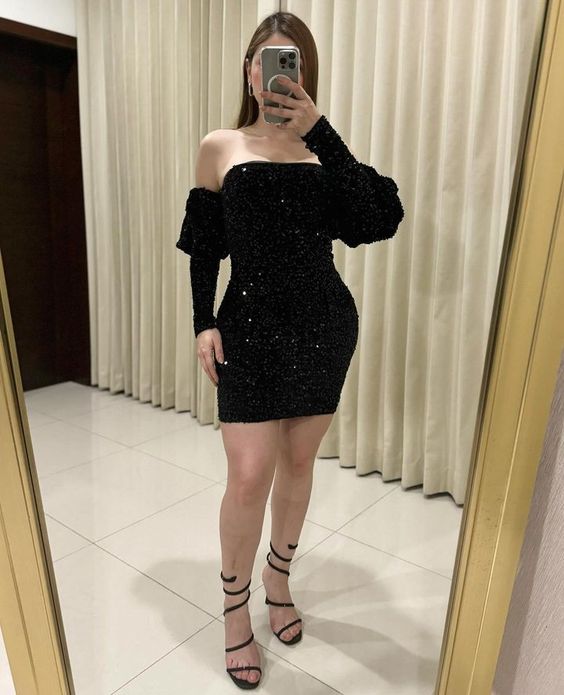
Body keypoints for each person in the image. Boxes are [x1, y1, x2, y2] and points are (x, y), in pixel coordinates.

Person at [176, 11, 404, 690]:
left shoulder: (322, 152)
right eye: (267, 59)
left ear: (305, 73)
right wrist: (202, 321)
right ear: (249, 68)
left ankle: (279, 578)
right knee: (249, 476)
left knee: (300, 462)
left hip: (321, 327)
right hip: (246, 327)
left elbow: (380, 218)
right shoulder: (220, 146)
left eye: (291, 62)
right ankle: (233, 607)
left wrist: (320, 130)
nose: (277, 72)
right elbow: (204, 246)